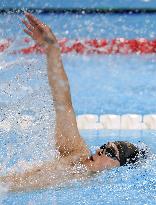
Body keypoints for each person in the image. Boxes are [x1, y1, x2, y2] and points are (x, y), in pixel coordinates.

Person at [0, 13, 140, 192]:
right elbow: (63, 103)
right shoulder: (75, 153)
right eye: (104, 147)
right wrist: (52, 49)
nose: (99, 151)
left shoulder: (91, 190)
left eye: (110, 153)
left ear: (119, 168)